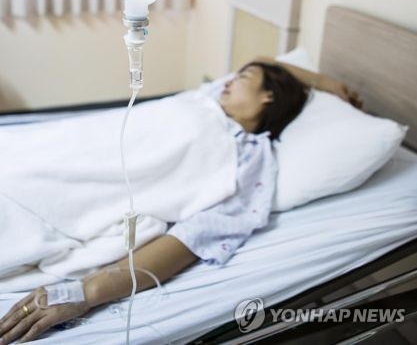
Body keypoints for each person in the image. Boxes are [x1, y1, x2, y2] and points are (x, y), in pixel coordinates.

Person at [0, 57, 362, 344]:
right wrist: (327, 82)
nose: (230, 79)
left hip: (57, 195)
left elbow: (190, 238)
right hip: (47, 150)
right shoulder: (206, 99)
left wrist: (86, 291)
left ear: (268, 95)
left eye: (243, 77)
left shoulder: (249, 159)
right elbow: (264, 59)